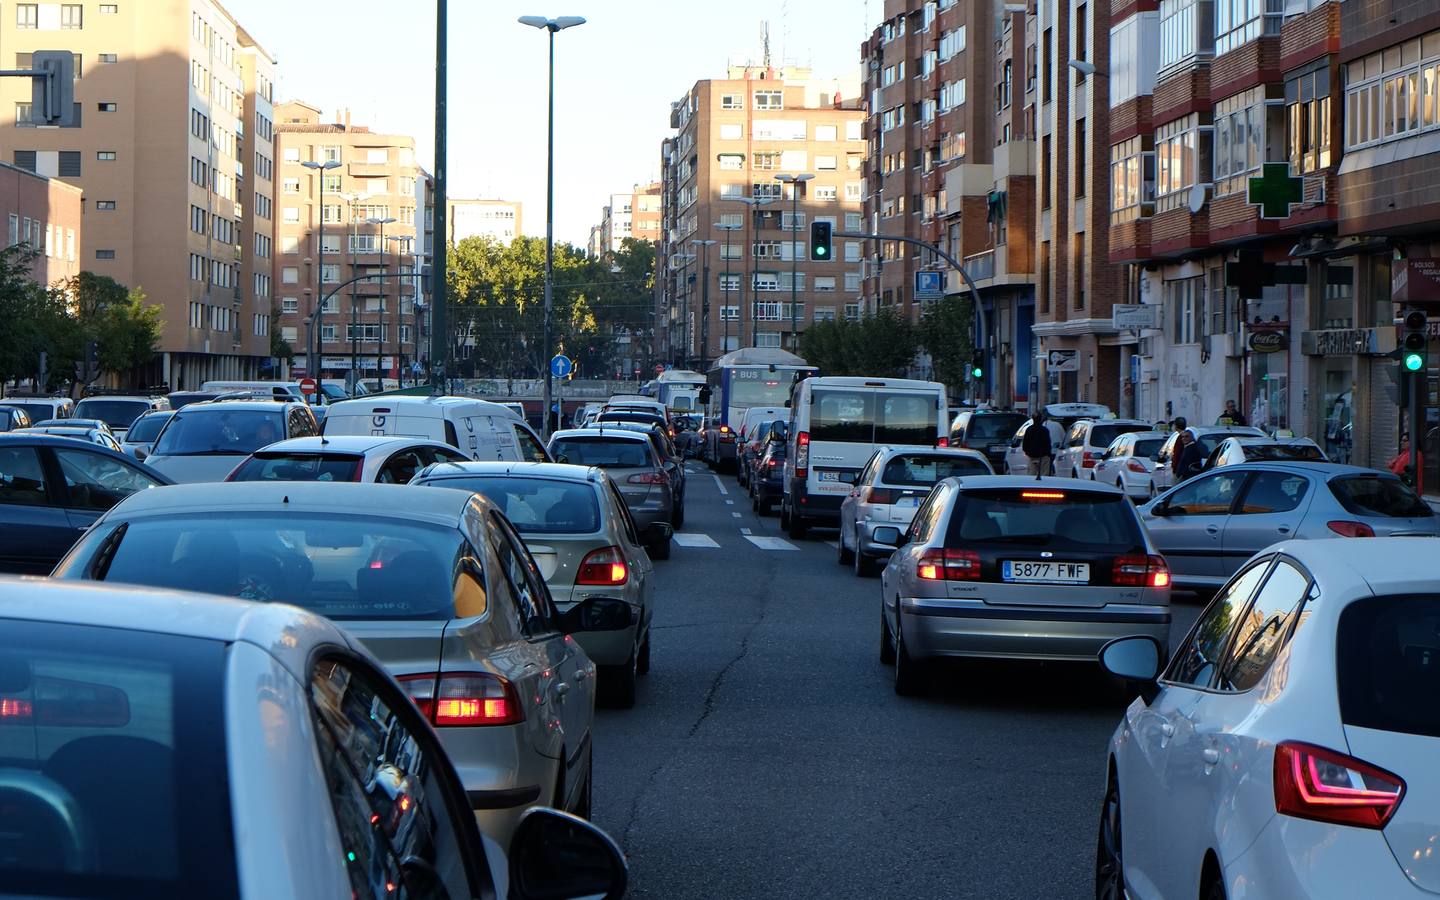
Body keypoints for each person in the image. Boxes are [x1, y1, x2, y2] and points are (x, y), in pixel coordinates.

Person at [1021, 411, 1054, 477]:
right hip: (1043, 456)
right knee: (1044, 475)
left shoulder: (1029, 429)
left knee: (1031, 475)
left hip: (1032, 456)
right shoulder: (1044, 430)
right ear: (1041, 419)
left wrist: (1027, 452)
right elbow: (1048, 443)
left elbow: (1025, 444)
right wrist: (1048, 454)